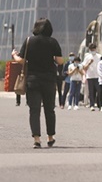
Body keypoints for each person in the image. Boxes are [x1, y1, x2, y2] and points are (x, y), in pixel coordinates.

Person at [11, 18, 64, 149]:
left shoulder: (29, 41)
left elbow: (22, 61)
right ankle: (50, 137)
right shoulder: (53, 42)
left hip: (33, 80)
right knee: (49, 110)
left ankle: (37, 139)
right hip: (49, 80)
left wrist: (14, 55)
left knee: (34, 110)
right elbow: (60, 61)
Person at [82, 43, 101, 111]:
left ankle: (100, 104)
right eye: (91, 49)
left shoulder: (99, 56)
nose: (93, 50)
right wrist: (89, 63)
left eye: (94, 49)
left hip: (98, 76)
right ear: (89, 50)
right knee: (91, 91)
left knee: (99, 91)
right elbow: (84, 67)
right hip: (90, 76)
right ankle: (92, 105)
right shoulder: (87, 57)